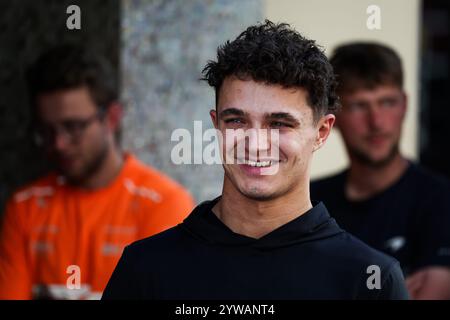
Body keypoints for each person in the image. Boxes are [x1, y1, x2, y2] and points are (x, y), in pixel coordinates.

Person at [102, 21, 408, 300]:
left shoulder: (370, 280)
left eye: (280, 124)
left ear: (322, 132)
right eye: (236, 120)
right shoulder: (145, 268)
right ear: (216, 125)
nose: (256, 143)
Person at [0, 45, 195, 299]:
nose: (59, 143)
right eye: (47, 131)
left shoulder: (162, 204)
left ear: (112, 118)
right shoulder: (26, 207)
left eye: (74, 127)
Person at [311, 42, 450, 299]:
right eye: (359, 106)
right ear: (333, 118)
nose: (376, 122)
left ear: (405, 105)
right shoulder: (310, 200)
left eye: (387, 102)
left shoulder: (441, 200)